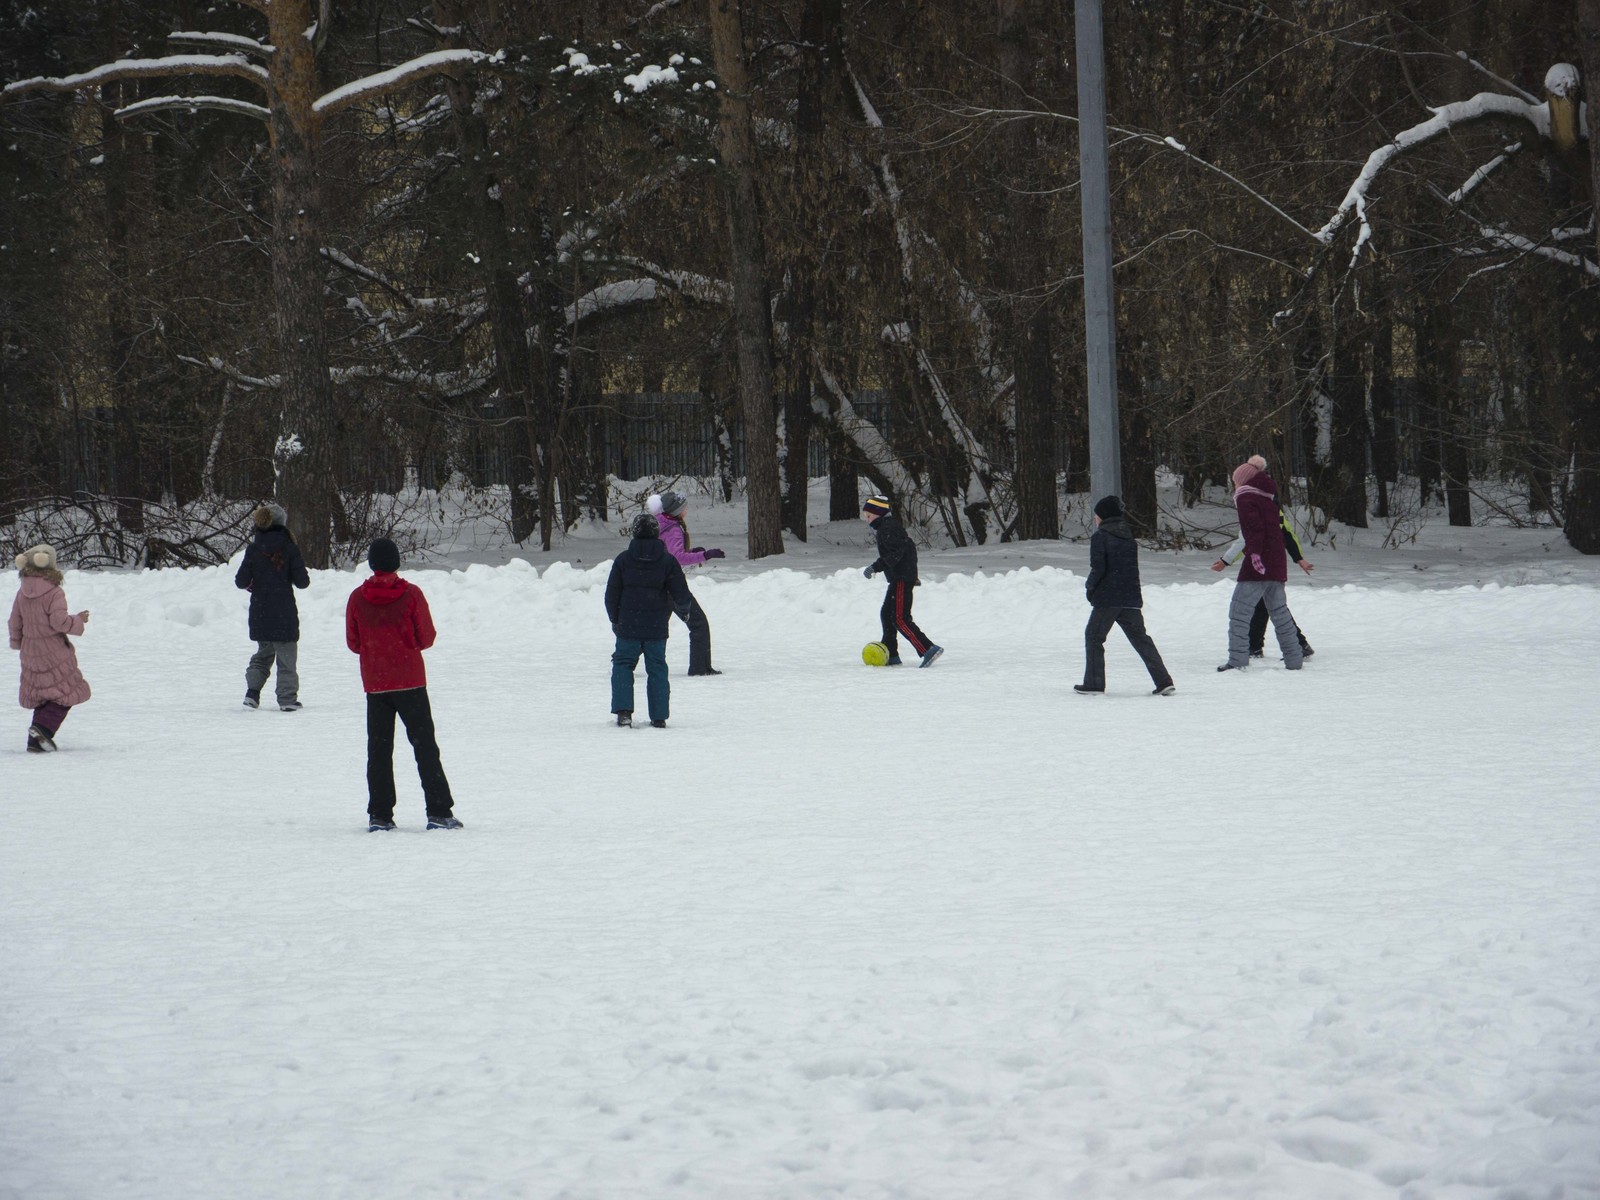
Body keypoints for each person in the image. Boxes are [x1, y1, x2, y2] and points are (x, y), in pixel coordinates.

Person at [345, 537, 462, 831]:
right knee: (425, 748)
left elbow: (353, 642)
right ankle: (438, 811)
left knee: (379, 751)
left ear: (372, 564)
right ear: (396, 562)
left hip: (376, 684)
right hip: (410, 681)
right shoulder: (411, 595)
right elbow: (427, 637)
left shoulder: (357, 598)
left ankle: (380, 815)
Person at [1210, 456, 1313, 660]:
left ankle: (1260, 649)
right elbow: (1280, 532)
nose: (1235, 486)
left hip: (1261, 563)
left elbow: (1250, 536)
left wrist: (1226, 560)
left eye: (1236, 481)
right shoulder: (1268, 499)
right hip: (1274, 562)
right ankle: (1275, 647)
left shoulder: (1248, 500)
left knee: (1252, 608)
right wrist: (1297, 558)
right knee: (1271, 606)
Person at [1074, 496, 1175, 696]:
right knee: (1141, 639)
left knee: (1094, 636)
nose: (1095, 519)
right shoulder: (1128, 537)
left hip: (1108, 598)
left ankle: (1094, 683)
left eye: (1097, 515)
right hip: (1130, 597)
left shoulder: (1100, 537)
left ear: (1103, 516)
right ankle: (1164, 681)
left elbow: (1098, 568)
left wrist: (1090, 587)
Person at [606, 513, 693, 728]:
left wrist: (615, 619)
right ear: (656, 533)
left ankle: (624, 712)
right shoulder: (667, 561)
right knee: (657, 668)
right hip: (656, 626)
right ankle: (659, 716)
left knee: (623, 665)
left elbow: (611, 595)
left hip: (628, 626)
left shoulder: (623, 560)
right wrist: (685, 611)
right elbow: (681, 593)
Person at [9, 543, 91, 753]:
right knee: (66, 692)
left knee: (42, 694)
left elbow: (14, 621)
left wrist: (18, 643)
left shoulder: (22, 591)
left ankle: (35, 740)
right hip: (53, 650)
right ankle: (42, 729)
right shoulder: (54, 592)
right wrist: (78, 620)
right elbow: (59, 622)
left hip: (30, 651)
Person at [234, 502, 311, 711]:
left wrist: (256, 582)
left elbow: (241, 581)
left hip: (260, 612)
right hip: (284, 612)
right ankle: (287, 699)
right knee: (286, 660)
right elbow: (303, 582)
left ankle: (252, 694)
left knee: (262, 655)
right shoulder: (289, 547)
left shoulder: (253, 549)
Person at [649, 489, 725, 676]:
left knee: (653, 628)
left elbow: (669, 553)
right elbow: (677, 558)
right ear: (676, 511)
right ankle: (700, 668)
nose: (686, 509)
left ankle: (626, 661)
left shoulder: (659, 524)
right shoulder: (674, 528)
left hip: (658, 583)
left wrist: (693, 552)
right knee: (698, 624)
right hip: (672, 585)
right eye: (684, 507)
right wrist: (705, 555)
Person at [861, 495, 943, 667]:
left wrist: (876, 567)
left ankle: (928, 648)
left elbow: (896, 553)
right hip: (901, 578)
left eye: (869, 515)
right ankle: (891, 653)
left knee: (899, 618)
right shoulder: (888, 527)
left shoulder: (888, 529)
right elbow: (908, 548)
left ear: (879, 513)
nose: (867, 519)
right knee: (887, 614)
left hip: (901, 579)